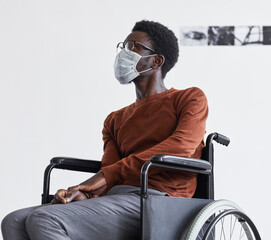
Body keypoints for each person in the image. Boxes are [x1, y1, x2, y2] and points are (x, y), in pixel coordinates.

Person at [1, 20, 208, 239]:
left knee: (44, 219)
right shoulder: (115, 119)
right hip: (115, 199)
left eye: (133, 47)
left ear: (156, 61)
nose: (123, 53)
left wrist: (102, 178)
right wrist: (85, 193)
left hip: (161, 200)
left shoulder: (189, 98)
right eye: (123, 46)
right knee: (13, 221)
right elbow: (110, 170)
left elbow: (181, 146)